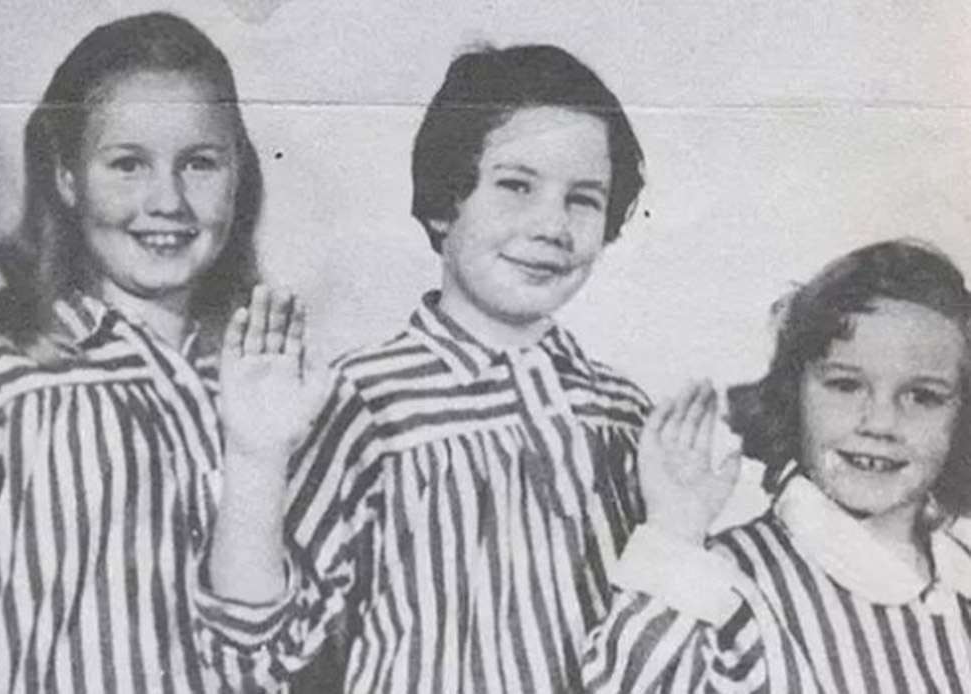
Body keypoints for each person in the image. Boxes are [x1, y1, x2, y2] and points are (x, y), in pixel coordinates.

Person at [0, 13, 319, 694]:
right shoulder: (5, 369)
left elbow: (265, 659)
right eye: (127, 164)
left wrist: (257, 459)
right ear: (68, 177)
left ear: (240, 175)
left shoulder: (264, 386)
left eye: (199, 163)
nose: (168, 200)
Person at [196, 44, 651, 692]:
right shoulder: (361, 400)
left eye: (583, 198)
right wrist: (255, 459)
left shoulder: (623, 413)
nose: (553, 224)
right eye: (516, 186)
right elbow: (254, 654)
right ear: (444, 202)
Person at [583, 239, 971, 693]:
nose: (881, 423)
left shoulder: (959, 581)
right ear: (793, 396)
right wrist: (675, 531)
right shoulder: (726, 584)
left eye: (923, 396)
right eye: (845, 386)